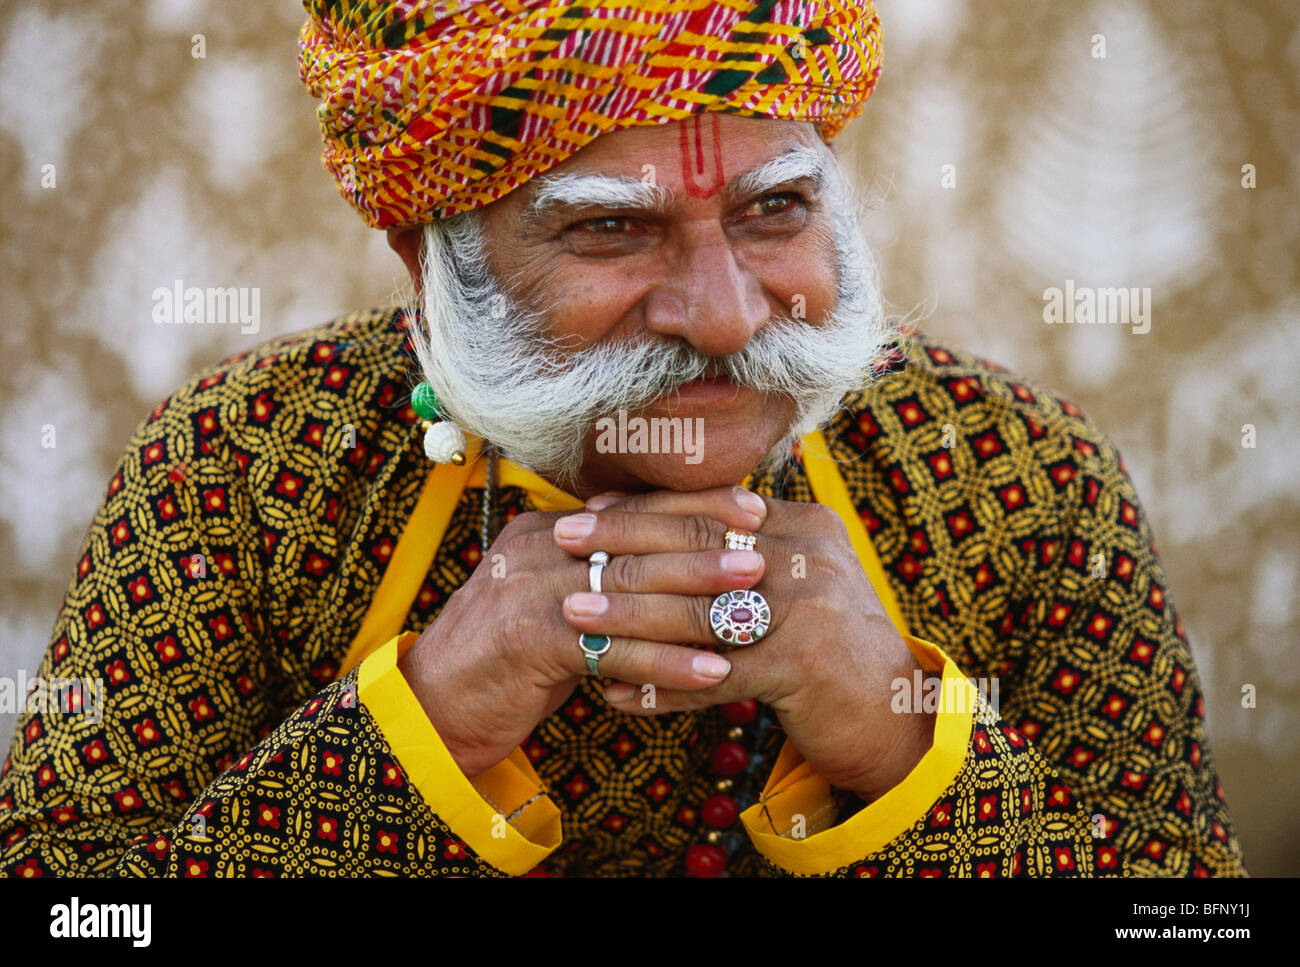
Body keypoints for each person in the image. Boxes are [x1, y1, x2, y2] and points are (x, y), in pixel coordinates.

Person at [0, 0, 1245, 878]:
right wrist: (423, 726)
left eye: (773, 210)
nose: (720, 313)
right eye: (609, 233)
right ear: (432, 262)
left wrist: (902, 735)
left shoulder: (1013, 469)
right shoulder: (245, 463)